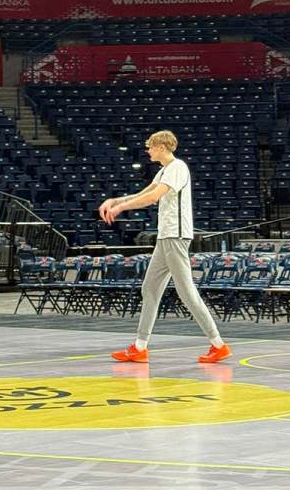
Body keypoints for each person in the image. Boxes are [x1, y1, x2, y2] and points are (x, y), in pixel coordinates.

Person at [99, 129, 231, 365]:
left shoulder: (177, 167)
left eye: (150, 147)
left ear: (161, 146)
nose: (148, 151)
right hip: (165, 237)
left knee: (186, 292)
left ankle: (218, 344)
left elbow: (153, 198)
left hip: (175, 236)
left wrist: (120, 209)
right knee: (150, 288)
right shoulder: (164, 170)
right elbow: (146, 192)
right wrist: (116, 200)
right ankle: (140, 347)